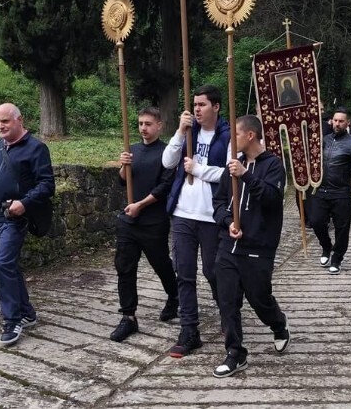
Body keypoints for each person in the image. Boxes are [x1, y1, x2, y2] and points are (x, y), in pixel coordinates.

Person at [0, 103, 55, 347]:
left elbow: (47, 185)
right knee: (8, 266)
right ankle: (27, 312)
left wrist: (24, 203)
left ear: (19, 120)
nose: (0, 126)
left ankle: (12, 319)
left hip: (16, 219)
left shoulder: (36, 149)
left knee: (2, 263)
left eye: (5, 121)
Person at [211, 115, 290, 378]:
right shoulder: (233, 166)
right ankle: (235, 353)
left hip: (258, 247)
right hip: (229, 246)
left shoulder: (274, 165)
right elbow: (219, 203)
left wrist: (246, 176)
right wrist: (226, 222)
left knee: (259, 298)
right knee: (228, 302)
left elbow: (271, 199)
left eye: (236, 135)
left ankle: (278, 325)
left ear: (250, 136)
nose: (232, 140)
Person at [162, 84, 230, 358]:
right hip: (183, 213)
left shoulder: (227, 135)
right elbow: (168, 162)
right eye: (195, 104)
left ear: (216, 106)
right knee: (184, 274)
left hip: (211, 215)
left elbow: (228, 174)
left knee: (213, 271)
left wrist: (198, 169)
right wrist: (179, 131)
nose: (197, 109)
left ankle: (228, 313)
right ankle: (189, 331)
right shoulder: (188, 132)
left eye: (202, 104)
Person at [110, 107, 179, 343]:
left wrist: (141, 204)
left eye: (148, 124)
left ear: (159, 125)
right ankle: (128, 317)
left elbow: (164, 187)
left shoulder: (167, 153)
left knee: (160, 264)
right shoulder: (133, 150)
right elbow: (122, 182)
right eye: (140, 123)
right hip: (129, 221)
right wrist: (123, 165)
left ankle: (174, 296)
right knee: (125, 267)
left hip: (153, 221)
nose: (143, 128)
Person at [312, 108, 351, 275]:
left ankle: (337, 258)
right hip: (321, 190)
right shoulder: (323, 140)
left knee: (342, 228)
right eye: (335, 120)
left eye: (341, 121)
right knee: (316, 222)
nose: (337, 123)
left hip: (341, 193)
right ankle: (327, 246)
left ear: (347, 122)